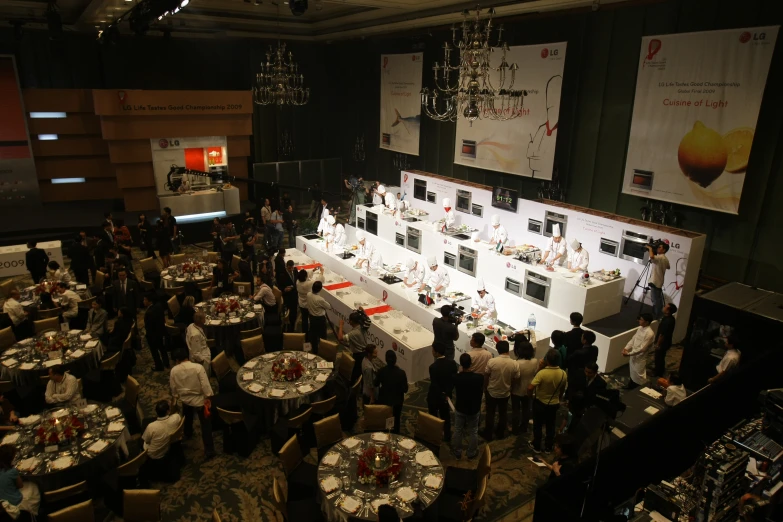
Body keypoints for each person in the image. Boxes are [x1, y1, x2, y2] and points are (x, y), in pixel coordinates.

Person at [169, 348, 215, 459]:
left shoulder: (174, 371)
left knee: (187, 417)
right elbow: (205, 386)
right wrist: (208, 398)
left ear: (177, 360)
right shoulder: (198, 368)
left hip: (185, 400)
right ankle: (209, 450)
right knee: (205, 426)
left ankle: (188, 433)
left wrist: (177, 396)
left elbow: (173, 389)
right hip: (199, 400)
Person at [528, 349, 567, 453]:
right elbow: (562, 389)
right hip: (554, 403)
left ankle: (536, 445)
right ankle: (549, 447)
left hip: (540, 402)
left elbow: (530, 387)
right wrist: (558, 399)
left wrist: (530, 397)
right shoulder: (563, 373)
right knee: (551, 425)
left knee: (538, 425)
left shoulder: (542, 373)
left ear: (547, 360)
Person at [483, 340, 519, 441]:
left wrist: (485, 388)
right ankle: (500, 433)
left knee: (490, 413)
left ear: (498, 350)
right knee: (503, 413)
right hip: (505, 392)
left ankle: (488, 434)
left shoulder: (492, 361)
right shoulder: (514, 363)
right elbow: (516, 377)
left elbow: (486, 375)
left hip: (492, 392)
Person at [451, 353, 484, 459]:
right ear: (471, 363)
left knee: (458, 429)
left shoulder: (456, 377)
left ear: (461, 364)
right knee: (473, 431)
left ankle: (457, 451)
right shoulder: (479, 378)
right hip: (474, 408)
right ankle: (471, 452)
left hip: (460, 407)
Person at [140, 400, 181, 479]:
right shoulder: (176, 418)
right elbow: (177, 414)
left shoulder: (151, 427)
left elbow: (147, 440)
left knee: (142, 437)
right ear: (168, 411)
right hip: (167, 446)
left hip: (153, 454)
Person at [428, 343, 458, 441]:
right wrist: (447, 393)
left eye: (433, 350)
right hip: (447, 396)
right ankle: (447, 436)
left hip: (435, 396)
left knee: (433, 415)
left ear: (436, 353)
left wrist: (441, 393)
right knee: (446, 416)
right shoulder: (452, 363)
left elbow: (434, 384)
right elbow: (453, 380)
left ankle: (435, 433)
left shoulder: (433, 367)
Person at [0, 445, 41, 515]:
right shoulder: (12, 471)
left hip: (2, 502)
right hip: (14, 502)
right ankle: (33, 511)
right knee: (33, 485)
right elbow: (20, 485)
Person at [567, 362, 607, 431]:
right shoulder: (579, 374)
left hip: (587, 408)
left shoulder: (601, 383)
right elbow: (571, 387)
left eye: (589, 373)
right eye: (585, 371)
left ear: (595, 372)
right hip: (576, 404)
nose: (586, 374)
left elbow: (598, 398)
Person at [375, 350, 408, 434]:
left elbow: (375, 383)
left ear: (386, 359)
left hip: (384, 400)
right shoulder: (401, 373)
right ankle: (396, 435)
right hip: (397, 401)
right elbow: (405, 389)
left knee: (384, 419)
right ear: (396, 359)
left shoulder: (381, 371)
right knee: (396, 419)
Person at [511, 338, 538, 435]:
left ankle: (515, 428)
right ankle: (524, 427)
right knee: (526, 409)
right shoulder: (535, 361)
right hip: (529, 389)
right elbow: (535, 373)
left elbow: (514, 377)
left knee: (516, 410)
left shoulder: (516, 363)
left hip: (516, 390)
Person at [622, 313, 654, 389]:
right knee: (632, 371)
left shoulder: (650, 333)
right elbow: (633, 339)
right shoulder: (640, 328)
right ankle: (630, 386)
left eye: (641, 319)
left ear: (646, 322)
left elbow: (643, 348)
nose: (638, 320)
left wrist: (629, 353)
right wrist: (626, 348)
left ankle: (639, 388)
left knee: (639, 373)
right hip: (634, 354)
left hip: (640, 356)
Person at [143, 293, 170, 371]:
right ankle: (166, 363)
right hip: (161, 331)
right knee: (162, 348)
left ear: (150, 301)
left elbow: (148, 326)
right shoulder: (159, 306)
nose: (143, 301)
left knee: (154, 352)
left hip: (152, 335)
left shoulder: (149, 312)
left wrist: (148, 335)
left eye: (145, 299)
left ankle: (159, 366)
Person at [646, 241, 670, 319]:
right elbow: (668, 267)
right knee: (657, 299)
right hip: (659, 281)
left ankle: (657, 316)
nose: (658, 248)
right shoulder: (665, 258)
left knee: (655, 300)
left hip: (655, 281)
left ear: (664, 250)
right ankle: (658, 315)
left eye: (660, 247)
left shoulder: (660, 257)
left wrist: (650, 249)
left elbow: (652, 257)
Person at [296, 267, 323, 338]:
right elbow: (319, 281)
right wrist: (322, 272)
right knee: (311, 319)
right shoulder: (308, 284)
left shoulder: (298, 282)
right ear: (305, 277)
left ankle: (305, 334)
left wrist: (313, 270)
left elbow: (306, 275)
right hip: (309, 305)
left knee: (304, 320)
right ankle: (312, 335)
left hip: (301, 304)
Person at [307, 280, 331, 355]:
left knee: (313, 335)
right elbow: (329, 306)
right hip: (320, 319)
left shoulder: (308, 294)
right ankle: (324, 351)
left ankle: (315, 350)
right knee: (323, 336)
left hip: (312, 318)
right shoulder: (319, 299)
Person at [655, 303, 677, 377]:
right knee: (661, 357)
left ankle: (657, 372)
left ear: (668, 311)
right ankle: (660, 370)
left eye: (665, 307)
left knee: (658, 357)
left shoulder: (667, 321)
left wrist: (658, 344)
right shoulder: (671, 319)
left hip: (663, 343)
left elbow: (662, 334)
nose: (663, 307)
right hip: (666, 343)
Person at [280, 260, 299, 332]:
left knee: (294, 313)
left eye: (292, 268)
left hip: (295, 295)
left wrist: (293, 287)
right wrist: (284, 289)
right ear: (286, 267)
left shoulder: (295, 271)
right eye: (289, 268)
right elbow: (280, 287)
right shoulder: (283, 275)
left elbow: (297, 282)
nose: (291, 270)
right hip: (287, 297)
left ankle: (292, 327)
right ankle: (288, 328)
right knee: (288, 313)